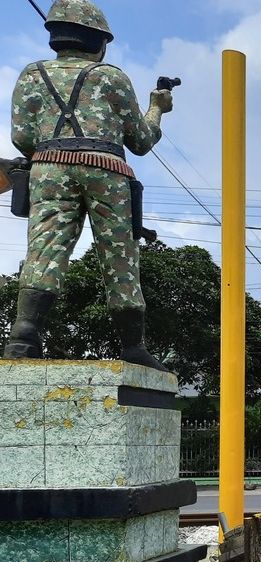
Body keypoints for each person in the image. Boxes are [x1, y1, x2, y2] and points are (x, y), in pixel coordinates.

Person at [6, 0, 173, 369]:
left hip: (49, 168)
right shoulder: (111, 77)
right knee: (120, 257)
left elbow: (21, 137)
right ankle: (133, 347)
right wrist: (157, 107)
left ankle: (23, 339)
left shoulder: (31, 75)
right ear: (99, 41)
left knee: (44, 251)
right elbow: (141, 141)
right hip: (107, 172)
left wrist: (54, 151)